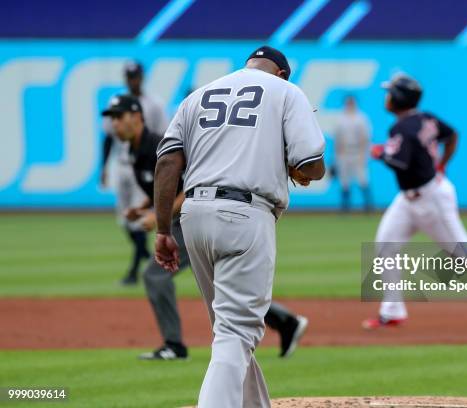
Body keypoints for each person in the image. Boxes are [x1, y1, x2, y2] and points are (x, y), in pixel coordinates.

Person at [154, 46, 325, 407]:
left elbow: (168, 161)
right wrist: (293, 166)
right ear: (281, 73)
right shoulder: (286, 91)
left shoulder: (199, 95)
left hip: (194, 216)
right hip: (246, 216)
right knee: (235, 333)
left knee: (228, 331)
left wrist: (162, 230)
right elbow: (311, 163)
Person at [102, 94, 310, 361]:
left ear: (137, 116)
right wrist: (143, 207)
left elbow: (190, 187)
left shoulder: (156, 144)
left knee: (156, 276)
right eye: (112, 119)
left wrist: (158, 217)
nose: (115, 124)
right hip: (188, 217)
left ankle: (174, 346)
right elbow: (162, 187)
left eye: (119, 117)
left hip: (191, 216)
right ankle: (285, 321)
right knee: (226, 285)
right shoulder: (133, 149)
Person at [362, 73, 467, 330]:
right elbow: (451, 135)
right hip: (409, 198)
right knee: (385, 248)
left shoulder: (402, 128)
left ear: (399, 98)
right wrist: (441, 164)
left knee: (465, 255)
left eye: (390, 92)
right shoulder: (425, 118)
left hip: (431, 199)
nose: (386, 97)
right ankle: (393, 311)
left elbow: (399, 161)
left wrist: (379, 153)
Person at [100, 61, 168, 285]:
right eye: (129, 77)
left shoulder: (154, 105)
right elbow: (109, 138)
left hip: (151, 161)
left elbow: (183, 188)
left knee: (141, 222)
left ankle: (135, 269)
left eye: (135, 76)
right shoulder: (116, 103)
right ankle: (145, 256)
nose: (133, 80)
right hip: (124, 164)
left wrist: (155, 215)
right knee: (126, 220)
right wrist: (104, 168)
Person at [334, 95, 372, 212]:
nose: (350, 104)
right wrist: (335, 158)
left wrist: (364, 155)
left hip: (358, 152)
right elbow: (337, 140)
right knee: (344, 182)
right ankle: (345, 207)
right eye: (348, 102)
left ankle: (368, 207)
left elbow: (366, 139)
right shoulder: (340, 119)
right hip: (344, 153)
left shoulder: (361, 118)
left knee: (363, 179)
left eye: (352, 102)